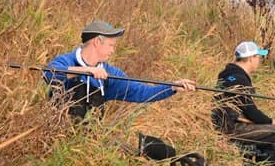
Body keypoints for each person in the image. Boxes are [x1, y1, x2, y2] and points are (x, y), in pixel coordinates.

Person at [44, 20, 196, 120]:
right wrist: (85, 71)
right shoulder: (66, 61)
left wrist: (171, 87)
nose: (112, 51)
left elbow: (141, 92)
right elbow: (49, 73)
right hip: (56, 136)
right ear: (97, 42)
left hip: (89, 142)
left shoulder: (112, 74)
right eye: (111, 45)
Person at [212, 41, 275, 166]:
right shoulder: (239, 78)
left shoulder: (227, 74)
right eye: (258, 57)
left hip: (223, 124)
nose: (259, 60)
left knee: (270, 131)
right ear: (251, 58)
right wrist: (273, 121)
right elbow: (251, 112)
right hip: (231, 128)